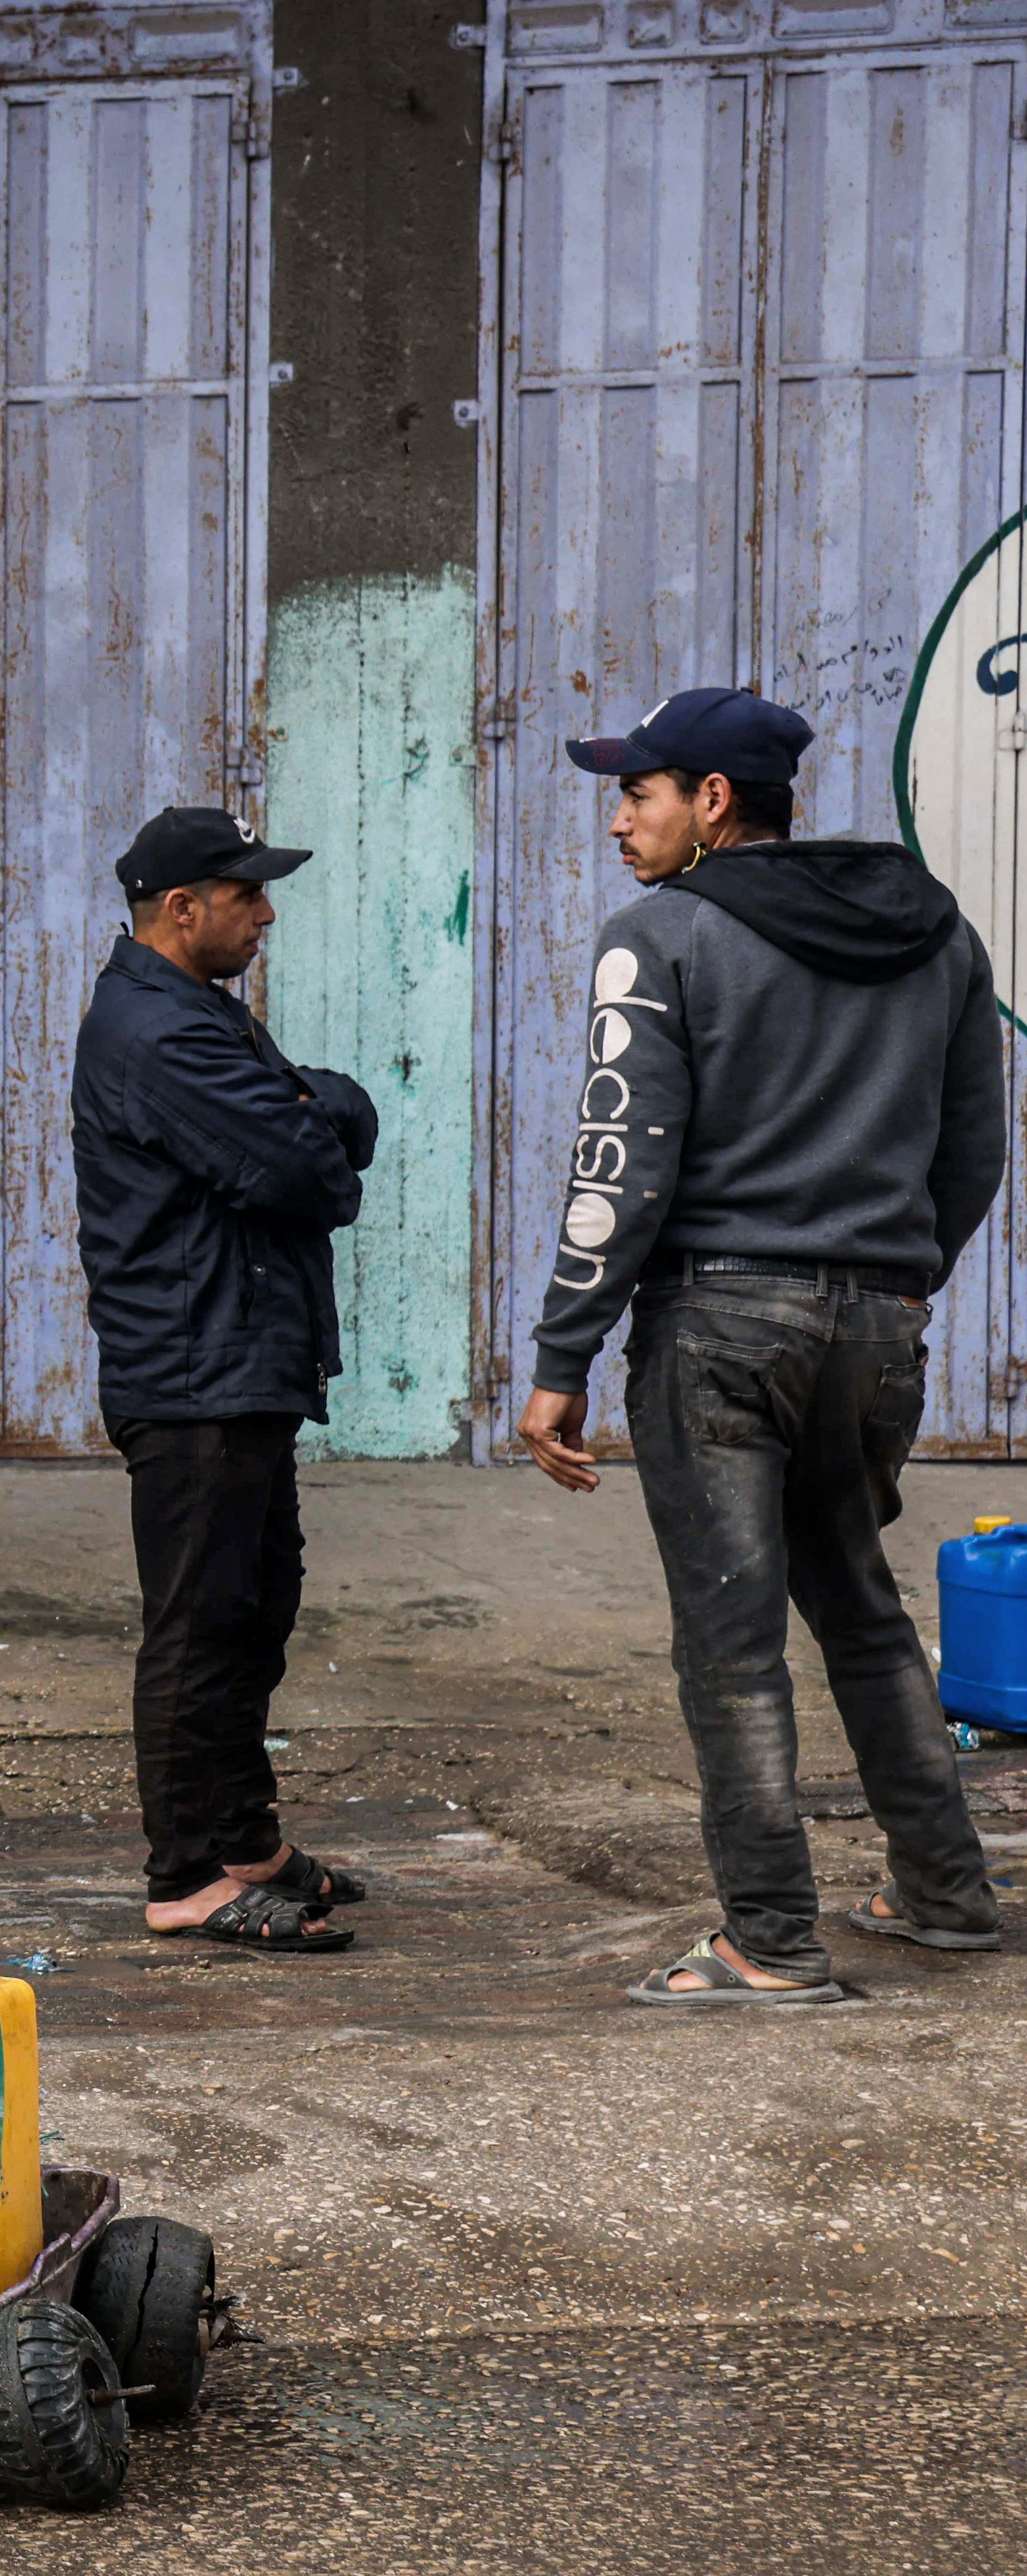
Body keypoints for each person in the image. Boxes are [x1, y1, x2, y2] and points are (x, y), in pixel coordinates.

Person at [515, 688, 1008, 2006]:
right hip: (877, 1324)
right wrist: (891, 1288)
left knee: (729, 1641)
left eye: (642, 792)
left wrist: (562, 1355)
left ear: (714, 802)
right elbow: (976, 1152)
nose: (621, 818)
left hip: (720, 1325)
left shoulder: (660, 936)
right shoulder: (934, 930)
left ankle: (771, 1942)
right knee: (857, 1600)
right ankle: (947, 1890)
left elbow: (620, 1166)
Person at [71, 805, 383, 1952]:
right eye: (245, 894)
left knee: (256, 1608)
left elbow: (326, 1114)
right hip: (194, 1368)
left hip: (240, 1361)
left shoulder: (200, 1016)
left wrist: (321, 1116)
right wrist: (317, 1124)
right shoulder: (157, 1032)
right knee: (202, 1624)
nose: (265, 912)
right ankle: (187, 1874)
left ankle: (244, 1837)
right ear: (179, 908)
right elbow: (301, 1169)